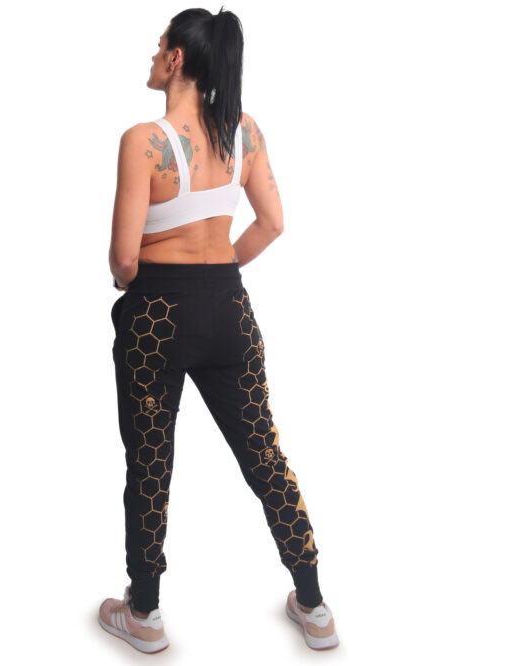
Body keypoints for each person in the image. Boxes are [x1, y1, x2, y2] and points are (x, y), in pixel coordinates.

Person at [98, 7, 339, 654]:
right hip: (229, 309)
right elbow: (273, 223)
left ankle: (143, 613)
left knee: (150, 463)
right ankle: (314, 604)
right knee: (265, 456)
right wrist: (215, 272)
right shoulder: (244, 131)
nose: (153, 55)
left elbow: (124, 259)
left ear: (176, 58)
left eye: (159, 46)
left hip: (156, 316)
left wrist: (136, 282)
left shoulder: (141, 141)